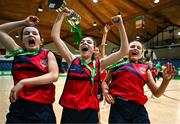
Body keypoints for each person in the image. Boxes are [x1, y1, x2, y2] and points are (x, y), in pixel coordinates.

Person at [51, 9, 129, 123]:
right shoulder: (72, 59)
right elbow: (55, 37)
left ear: (93, 49)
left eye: (88, 42)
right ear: (79, 47)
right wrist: (61, 15)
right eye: (82, 42)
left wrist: (120, 26)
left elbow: (124, 50)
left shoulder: (99, 64)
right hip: (69, 111)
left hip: (89, 112)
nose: (84, 43)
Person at [0, 16, 59, 123]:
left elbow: (54, 76)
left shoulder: (47, 54)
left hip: (43, 110)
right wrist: (24, 22)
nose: (30, 34)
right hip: (19, 110)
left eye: (34, 33)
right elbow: (1, 31)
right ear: (22, 40)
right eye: (26, 33)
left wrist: (23, 82)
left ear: (41, 41)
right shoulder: (18, 52)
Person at [102, 40, 176, 123]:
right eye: (132, 46)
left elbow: (157, 93)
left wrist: (165, 81)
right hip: (118, 107)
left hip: (138, 110)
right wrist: (106, 92)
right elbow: (105, 81)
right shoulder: (116, 65)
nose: (135, 48)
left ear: (141, 53)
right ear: (126, 50)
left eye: (138, 47)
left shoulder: (145, 68)